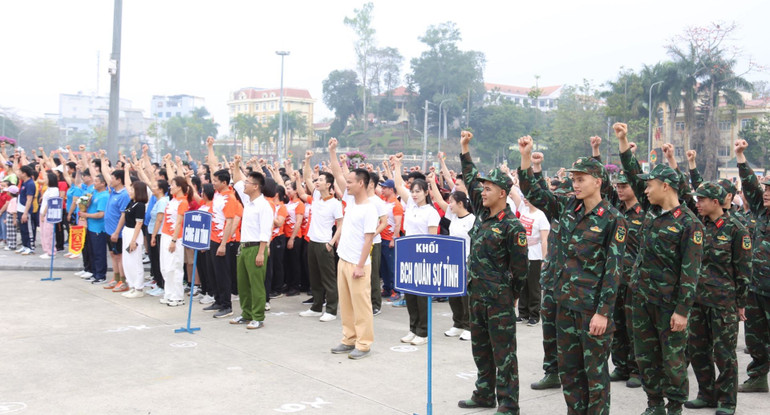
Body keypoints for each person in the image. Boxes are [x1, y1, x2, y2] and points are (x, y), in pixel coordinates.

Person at [519, 134, 626, 415]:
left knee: (595, 375)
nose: (575, 184)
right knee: (569, 371)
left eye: (581, 179)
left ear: (597, 181)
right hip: (565, 304)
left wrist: (603, 312)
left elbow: (613, 271)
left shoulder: (613, 219)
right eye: (574, 179)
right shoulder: (568, 208)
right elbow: (534, 193)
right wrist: (526, 157)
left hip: (592, 310)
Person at [616, 122, 703, 415]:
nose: (645, 189)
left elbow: (690, 273)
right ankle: (654, 404)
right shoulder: (652, 211)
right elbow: (631, 174)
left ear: (665, 186)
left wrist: (682, 310)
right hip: (642, 298)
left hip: (669, 304)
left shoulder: (689, 224)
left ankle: (674, 406)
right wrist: (623, 140)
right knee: (646, 356)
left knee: (673, 358)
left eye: (650, 185)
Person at [456, 131, 529, 415]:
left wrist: (511, 296)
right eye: (482, 189)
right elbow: (470, 175)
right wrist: (465, 149)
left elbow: (520, 270)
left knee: (504, 353)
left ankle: (509, 403)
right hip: (477, 295)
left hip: (499, 298)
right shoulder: (484, 213)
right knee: (481, 348)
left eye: (488, 189)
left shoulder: (512, 227)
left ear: (502, 193)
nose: (482, 192)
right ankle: (484, 393)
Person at [682, 181, 751, 415]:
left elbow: (743, 272)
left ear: (715, 202)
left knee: (724, 354)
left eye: (701, 200)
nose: (697, 203)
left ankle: (727, 401)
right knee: (698, 349)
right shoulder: (697, 226)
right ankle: (706, 393)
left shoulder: (736, 230)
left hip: (723, 303)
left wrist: (741, 304)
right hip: (698, 301)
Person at [329, 168, 378, 360]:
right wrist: (332, 151)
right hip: (343, 260)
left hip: (359, 264)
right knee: (347, 304)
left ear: (361, 183)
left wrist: (359, 266)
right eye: (346, 182)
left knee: (361, 305)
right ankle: (349, 339)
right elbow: (337, 173)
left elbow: (368, 240)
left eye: (350, 182)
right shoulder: (350, 201)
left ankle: (364, 344)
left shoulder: (369, 208)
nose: (346, 185)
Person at [391, 155, 440, 346]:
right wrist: (397, 166)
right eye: (412, 191)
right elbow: (398, 185)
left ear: (426, 192)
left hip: (424, 258)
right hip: (407, 255)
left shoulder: (431, 213)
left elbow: (433, 239)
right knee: (410, 295)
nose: (414, 194)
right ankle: (412, 328)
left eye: (418, 191)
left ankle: (423, 332)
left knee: (421, 297)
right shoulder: (410, 205)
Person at [735, 139, 770, 394]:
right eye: (766, 189)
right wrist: (740, 157)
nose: (766, 193)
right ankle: (758, 376)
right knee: (756, 338)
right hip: (757, 287)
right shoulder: (761, 213)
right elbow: (750, 186)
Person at [610, 170, 645, 389]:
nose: (620, 190)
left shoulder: (645, 213)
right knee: (616, 325)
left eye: (624, 186)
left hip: (635, 280)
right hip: (616, 278)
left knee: (635, 326)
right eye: (618, 186)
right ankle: (620, 365)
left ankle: (636, 369)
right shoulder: (616, 211)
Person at [300, 150, 344, 321]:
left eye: (321, 180)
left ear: (329, 185)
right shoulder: (316, 195)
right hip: (312, 241)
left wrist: (332, 242)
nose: (317, 182)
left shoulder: (335, 204)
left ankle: (331, 310)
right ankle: (316, 307)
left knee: (328, 278)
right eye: (317, 180)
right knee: (315, 276)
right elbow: (306, 178)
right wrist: (308, 160)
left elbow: (340, 224)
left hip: (325, 243)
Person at [231, 156, 274, 329]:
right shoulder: (248, 201)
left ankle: (258, 316)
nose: (244, 184)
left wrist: (261, 252)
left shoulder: (263, 205)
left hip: (257, 247)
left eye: (248, 182)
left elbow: (266, 231)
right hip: (244, 247)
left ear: (256, 186)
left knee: (256, 284)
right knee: (243, 283)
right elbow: (236, 181)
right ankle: (246, 313)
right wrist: (235, 165)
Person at [430, 186, 475, 341]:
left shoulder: (471, 220)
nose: (449, 205)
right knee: (454, 295)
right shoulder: (453, 217)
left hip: (467, 261)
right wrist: (432, 183)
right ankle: (458, 324)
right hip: (453, 261)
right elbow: (440, 201)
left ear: (461, 203)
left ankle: (469, 326)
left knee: (466, 296)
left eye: (452, 202)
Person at [507, 167, 550, 327]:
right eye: (525, 197)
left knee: (534, 286)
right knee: (522, 284)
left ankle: (534, 314)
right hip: (522, 253)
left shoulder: (541, 216)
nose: (525, 199)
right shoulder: (523, 209)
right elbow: (514, 191)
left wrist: (545, 259)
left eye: (528, 197)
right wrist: (509, 175)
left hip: (535, 255)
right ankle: (523, 313)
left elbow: (544, 240)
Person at [204, 169, 242, 318]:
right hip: (212, 239)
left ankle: (227, 306)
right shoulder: (218, 195)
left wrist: (223, 244)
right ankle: (218, 301)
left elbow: (230, 223)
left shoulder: (230, 199)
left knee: (223, 274)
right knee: (213, 273)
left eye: (216, 181)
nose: (213, 183)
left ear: (224, 183)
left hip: (222, 240)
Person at [160, 176, 190, 307]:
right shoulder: (172, 200)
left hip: (175, 237)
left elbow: (179, 223)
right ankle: (169, 293)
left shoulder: (183, 202)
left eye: (172, 185)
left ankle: (177, 296)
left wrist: (173, 240)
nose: (170, 187)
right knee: (165, 267)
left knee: (174, 266)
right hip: (165, 235)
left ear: (179, 187)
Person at [118, 176, 149, 299]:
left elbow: (139, 223)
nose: (130, 191)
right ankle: (132, 285)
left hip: (134, 233)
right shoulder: (131, 202)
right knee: (128, 261)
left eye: (132, 189)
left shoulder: (140, 205)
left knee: (135, 262)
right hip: (127, 231)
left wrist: (133, 240)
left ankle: (139, 287)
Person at [80, 174, 110, 284]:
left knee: (99, 252)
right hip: (91, 226)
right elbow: (88, 206)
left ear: (103, 183)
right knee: (91, 251)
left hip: (98, 228)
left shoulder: (104, 196)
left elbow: (101, 214)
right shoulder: (94, 193)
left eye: (97, 181)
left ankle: (101, 275)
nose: (94, 183)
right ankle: (94, 272)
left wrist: (86, 215)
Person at [105, 169, 131, 292]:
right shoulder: (113, 192)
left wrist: (116, 232)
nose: (110, 180)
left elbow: (123, 215)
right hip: (109, 230)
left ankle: (123, 281)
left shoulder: (124, 195)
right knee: (113, 254)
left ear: (119, 180)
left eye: (112, 178)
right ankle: (115, 278)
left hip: (117, 232)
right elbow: (105, 174)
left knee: (120, 256)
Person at [378, 179, 403, 301]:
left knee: (392, 267)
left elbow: (398, 224)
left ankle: (396, 290)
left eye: (384, 188)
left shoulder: (396, 205)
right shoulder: (383, 201)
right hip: (381, 238)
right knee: (384, 266)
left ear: (391, 190)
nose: (382, 190)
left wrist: (394, 239)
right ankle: (387, 288)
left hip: (390, 240)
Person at [38, 172, 61, 259]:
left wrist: (44, 213)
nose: (45, 180)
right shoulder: (48, 188)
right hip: (43, 212)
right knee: (43, 232)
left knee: (49, 233)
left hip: (48, 213)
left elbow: (50, 202)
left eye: (47, 178)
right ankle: (46, 250)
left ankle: (51, 252)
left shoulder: (55, 189)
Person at [17, 165, 38, 255]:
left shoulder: (30, 184)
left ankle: (31, 247)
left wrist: (25, 213)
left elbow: (29, 199)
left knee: (28, 229)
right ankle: (25, 245)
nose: (18, 174)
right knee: (23, 229)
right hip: (20, 208)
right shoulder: (23, 182)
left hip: (26, 210)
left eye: (20, 172)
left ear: (24, 174)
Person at [3, 185, 19, 251]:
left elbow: (14, 211)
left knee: (12, 231)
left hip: (12, 216)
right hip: (10, 215)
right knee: (9, 231)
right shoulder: (12, 199)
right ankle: (10, 244)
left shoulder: (14, 200)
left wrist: (14, 220)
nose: (7, 192)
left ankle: (12, 245)